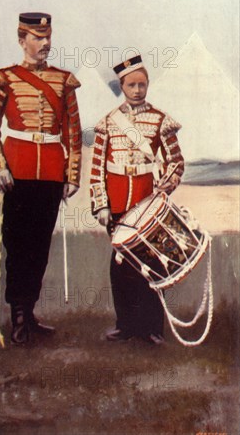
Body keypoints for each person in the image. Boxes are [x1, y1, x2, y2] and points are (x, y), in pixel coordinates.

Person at [0, 12, 82, 344]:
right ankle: (18, 315)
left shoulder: (64, 81)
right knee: (17, 245)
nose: (45, 43)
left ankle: (30, 311)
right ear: (22, 40)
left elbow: (73, 133)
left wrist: (72, 174)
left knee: (39, 248)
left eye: (47, 37)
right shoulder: (4, 79)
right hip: (16, 172)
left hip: (51, 172)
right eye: (37, 38)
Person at [90, 55, 184, 345]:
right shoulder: (107, 123)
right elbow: (97, 169)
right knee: (122, 269)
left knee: (154, 265)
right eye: (131, 85)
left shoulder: (159, 120)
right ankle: (126, 325)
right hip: (117, 202)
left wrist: (163, 189)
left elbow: (176, 162)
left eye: (142, 84)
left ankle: (152, 328)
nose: (137, 90)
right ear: (121, 86)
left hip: (148, 205)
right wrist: (101, 204)